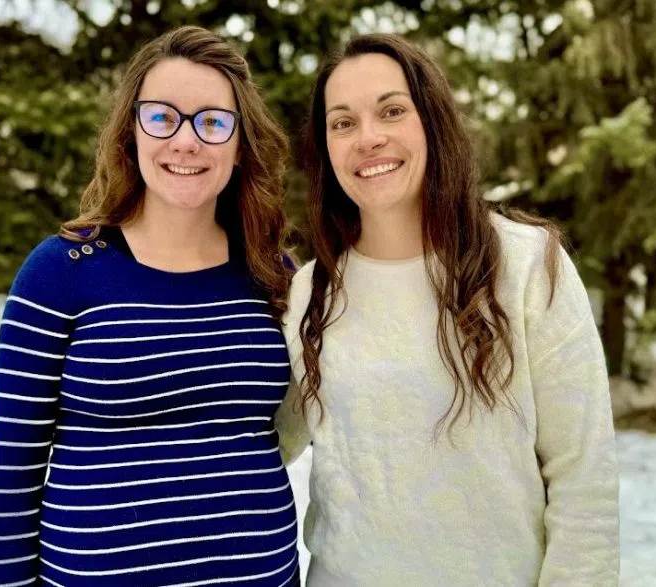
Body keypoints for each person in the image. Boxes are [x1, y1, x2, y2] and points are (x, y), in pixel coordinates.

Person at [275, 34, 619, 586]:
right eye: (342, 123)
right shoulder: (311, 292)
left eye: (391, 110)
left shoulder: (526, 266)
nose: (369, 137)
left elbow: (584, 485)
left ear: (431, 122)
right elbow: (261, 440)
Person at [0, 26, 300, 587]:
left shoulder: (274, 275)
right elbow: (12, 476)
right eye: (162, 117)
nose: (186, 141)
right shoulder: (61, 271)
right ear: (131, 131)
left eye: (212, 122)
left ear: (241, 143)